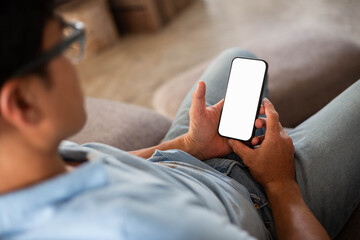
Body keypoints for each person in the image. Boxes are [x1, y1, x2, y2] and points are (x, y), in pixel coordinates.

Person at [0, 1, 358, 239]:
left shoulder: (23, 162)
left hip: (184, 161)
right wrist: (282, 184)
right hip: (259, 201)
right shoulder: (144, 227)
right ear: (22, 102)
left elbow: (106, 164)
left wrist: (189, 145)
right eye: (64, 48)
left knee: (237, 57)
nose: (73, 66)